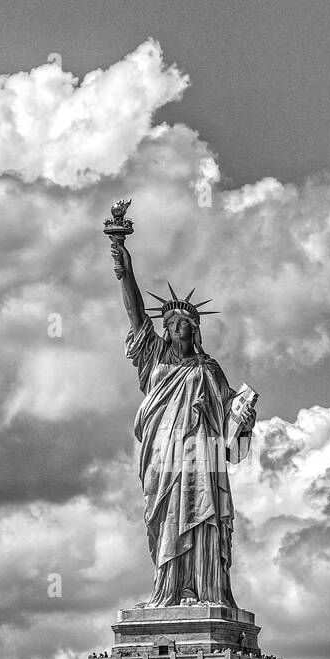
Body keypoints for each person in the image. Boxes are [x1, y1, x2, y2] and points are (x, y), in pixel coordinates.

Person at [108, 231, 256, 607]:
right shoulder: (154, 358)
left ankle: (205, 590)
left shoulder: (208, 369)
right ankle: (170, 590)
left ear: (195, 329)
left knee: (202, 514)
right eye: (170, 322)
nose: (175, 327)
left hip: (201, 454)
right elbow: (135, 312)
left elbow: (229, 429)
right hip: (163, 454)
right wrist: (125, 268)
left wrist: (245, 418)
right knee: (166, 516)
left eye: (183, 323)